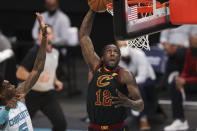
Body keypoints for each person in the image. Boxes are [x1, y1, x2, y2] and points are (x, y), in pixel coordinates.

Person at [79, 9, 144, 131]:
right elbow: (83, 35)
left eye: (116, 52)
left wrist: (128, 102)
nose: (113, 54)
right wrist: (93, 9)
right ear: (102, 57)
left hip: (117, 128)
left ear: (119, 57)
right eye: (109, 51)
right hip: (95, 128)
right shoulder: (95, 67)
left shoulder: (125, 75)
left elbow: (140, 105)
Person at [0, 13, 47, 131]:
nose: (11, 84)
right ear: (1, 94)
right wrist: (6, 110)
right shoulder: (2, 113)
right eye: (7, 86)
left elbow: (37, 69)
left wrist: (44, 38)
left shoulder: (19, 95)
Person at [16, 21, 66, 130]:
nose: (47, 36)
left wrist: (55, 81)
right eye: (44, 33)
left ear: (53, 35)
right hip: (31, 95)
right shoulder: (34, 52)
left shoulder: (55, 52)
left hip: (48, 95)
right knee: (20, 126)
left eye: (49, 33)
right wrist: (36, 77)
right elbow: (19, 72)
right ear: (39, 36)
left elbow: (51, 70)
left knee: (61, 124)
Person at [164, 34, 197, 131]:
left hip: (194, 80)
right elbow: (185, 70)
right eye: (191, 45)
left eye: (195, 44)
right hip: (193, 81)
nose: (193, 47)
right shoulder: (189, 52)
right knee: (174, 84)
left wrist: (185, 80)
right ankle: (180, 120)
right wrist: (180, 79)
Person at [118, 45, 156, 130]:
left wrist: (129, 84)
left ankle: (143, 118)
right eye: (124, 58)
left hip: (148, 79)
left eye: (127, 57)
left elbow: (142, 76)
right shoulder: (118, 59)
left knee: (139, 87)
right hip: (131, 81)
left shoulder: (139, 54)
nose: (126, 59)